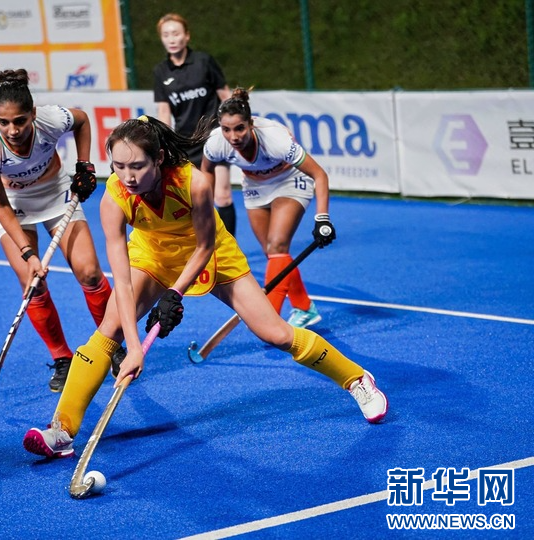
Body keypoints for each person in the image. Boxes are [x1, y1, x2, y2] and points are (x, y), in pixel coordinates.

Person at [21, 115, 388, 460]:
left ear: (158, 159)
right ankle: (62, 430)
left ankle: (357, 380)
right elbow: (123, 279)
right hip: (152, 254)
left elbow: (204, 246)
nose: (128, 177)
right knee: (109, 330)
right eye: (118, 166)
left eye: (137, 166)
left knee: (275, 333)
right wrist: (133, 348)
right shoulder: (113, 198)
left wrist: (174, 294)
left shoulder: (193, 182)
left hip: (210, 253)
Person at [0, 68, 119, 392]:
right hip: (11, 204)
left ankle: (112, 344)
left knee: (90, 273)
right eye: (3, 122)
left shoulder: (50, 120)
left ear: (33, 114)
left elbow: (82, 121)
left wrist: (84, 166)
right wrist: (28, 253)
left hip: (55, 192)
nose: (12, 130)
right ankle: (62, 357)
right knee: (32, 283)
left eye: (20, 121)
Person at [202, 87, 330, 329]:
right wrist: (204, 207)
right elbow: (206, 171)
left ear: (251, 124)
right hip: (255, 186)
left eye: (239, 128)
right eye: (227, 129)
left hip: (290, 180)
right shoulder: (216, 142)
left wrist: (322, 218)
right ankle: (304, 308)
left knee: (277, 245)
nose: (233, 136)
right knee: (273, 255)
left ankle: (270, 320)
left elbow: (319, 175)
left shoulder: (275, 139)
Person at [153, 12, 237, 237]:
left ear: (187, 36)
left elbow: (225, 95)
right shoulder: (160, 72)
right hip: (186, 143)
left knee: (222, 195)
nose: (171, 39)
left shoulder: (204, 61)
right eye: (166, 35)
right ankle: (204, 243)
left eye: (176, 33)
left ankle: (229, 247)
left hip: (215, 137)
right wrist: (164, 141)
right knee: (198, 198)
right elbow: (164, 112)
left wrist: (238, 122)